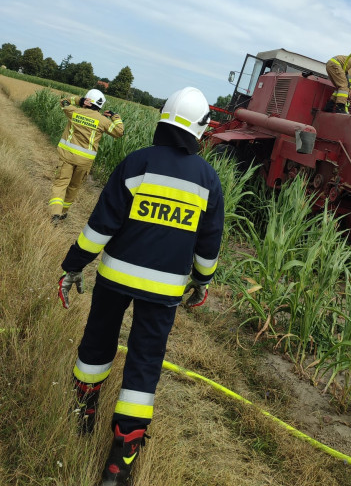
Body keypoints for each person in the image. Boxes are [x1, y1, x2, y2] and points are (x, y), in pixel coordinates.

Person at [57, 87, 224, 486]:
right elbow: (209, 243)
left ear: (162, 121)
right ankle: (119, 465)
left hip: (114, 278)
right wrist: (202, 281)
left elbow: (101, 226)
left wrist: (73, 266)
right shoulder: (207, 180)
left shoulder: (137, 163)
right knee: (145, 362)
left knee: (97, 342)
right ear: (201, 130)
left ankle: (83, 414)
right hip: (165, 291)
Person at [49, 89, 124, 222]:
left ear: (87, 101)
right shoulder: (102, 121)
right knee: (73, 186)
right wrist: (115, 117)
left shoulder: (74, 112)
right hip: (85, 161)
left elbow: (63, 101)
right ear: (100, 105)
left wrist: (78, 100)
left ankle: (55, 212)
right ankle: (64, 212)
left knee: (61, 184)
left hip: (67, 156)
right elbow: (119, 132)